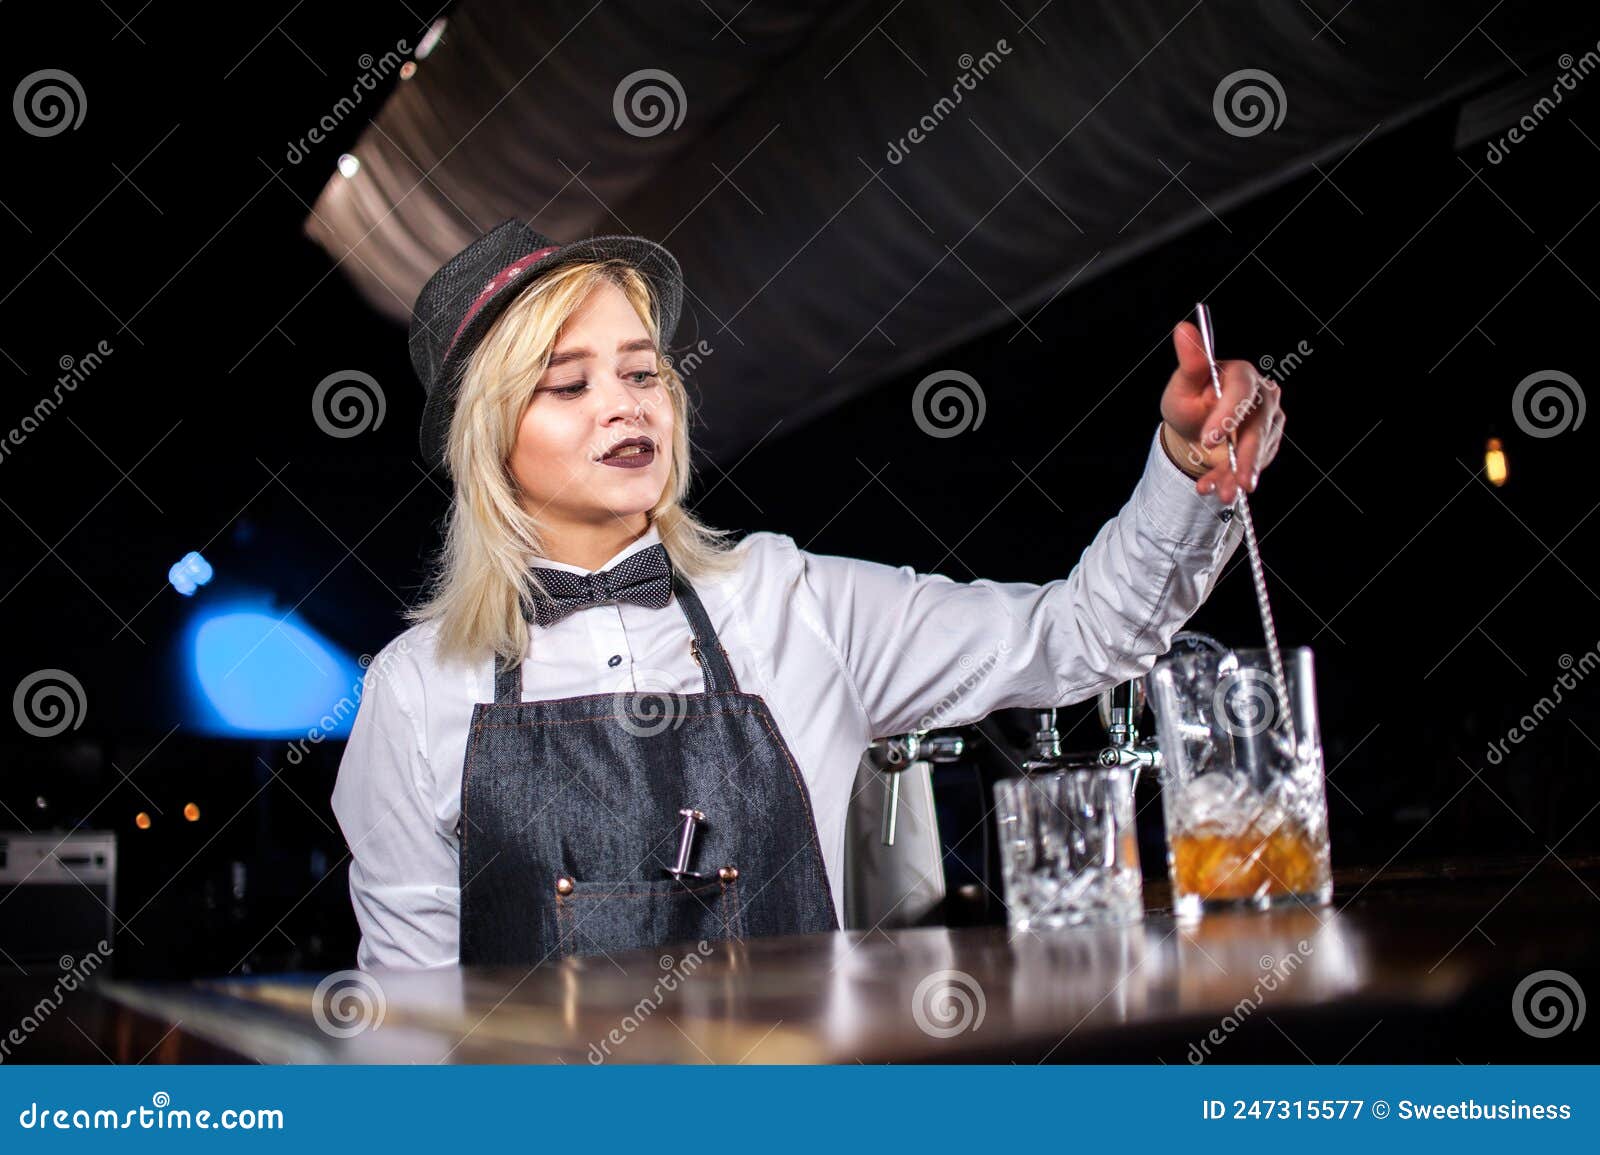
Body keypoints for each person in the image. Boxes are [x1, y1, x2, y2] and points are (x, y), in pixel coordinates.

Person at [330, 218, 1282, 969]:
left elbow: (1079, 635)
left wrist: (1184, 468)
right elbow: (412, 1034)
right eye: (568, 385)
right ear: (490, 439)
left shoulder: (790, 601)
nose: (628, 405)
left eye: (641, 371)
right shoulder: (417, 690)